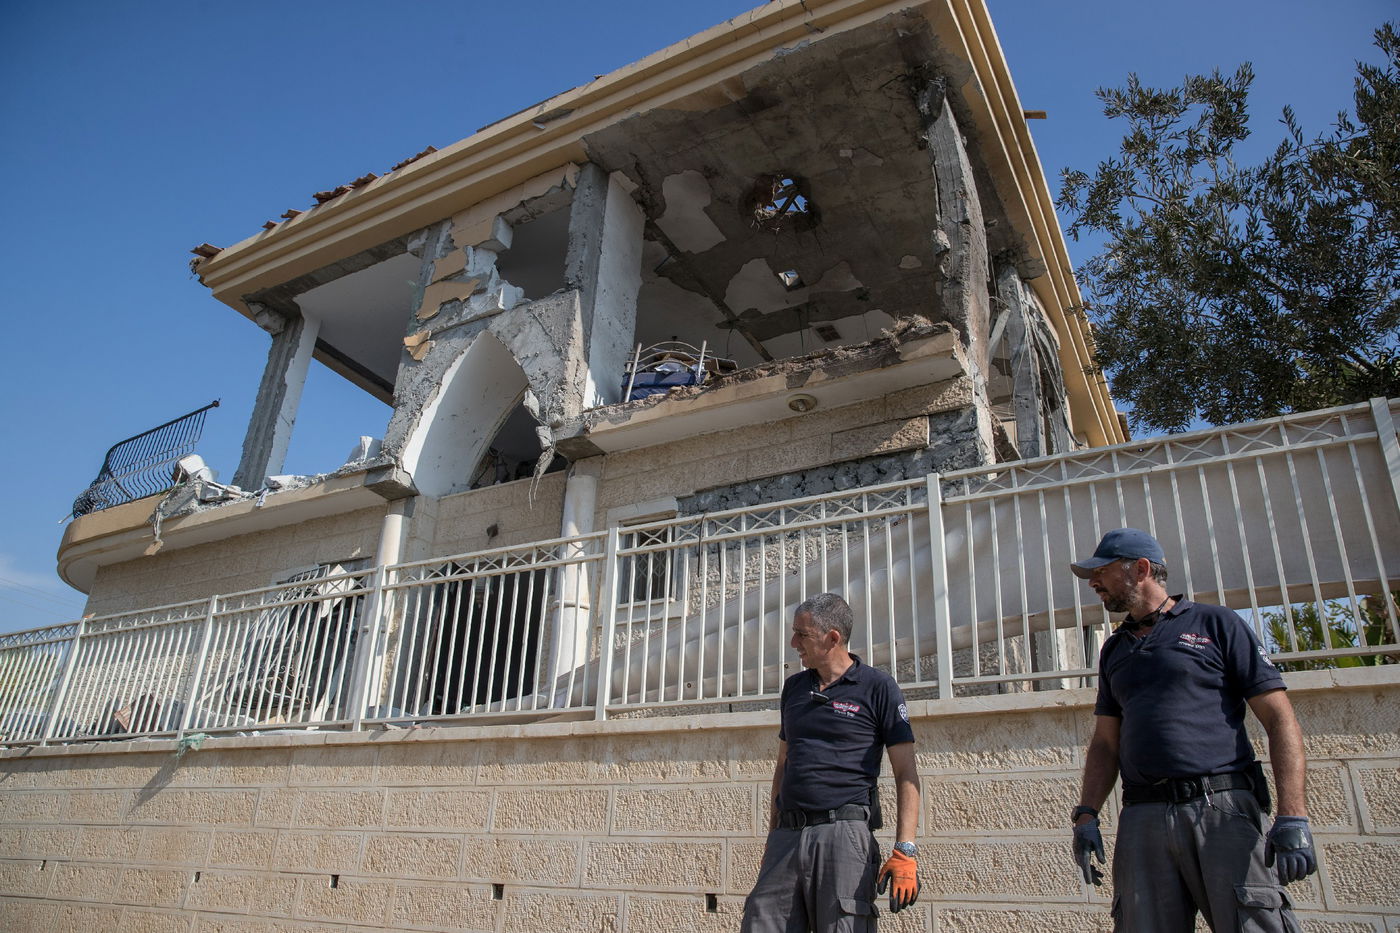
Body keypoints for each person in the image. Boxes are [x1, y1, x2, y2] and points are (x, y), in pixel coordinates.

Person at [1068, 528, 1317, 932]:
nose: (1094, 583)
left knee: (1252, 921)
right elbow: (1105, 743)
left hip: (1221, 808)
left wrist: (1293, 816)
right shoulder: (1114, 649)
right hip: (1142, 815)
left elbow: (1279, 719)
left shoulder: (1216, 623)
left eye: (1103, 572)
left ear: (1142, 569)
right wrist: (1086, 815)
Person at [741, 592, 921, 932]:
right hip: (787, 836)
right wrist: (772, 836)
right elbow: (783, 765)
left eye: (802, 634)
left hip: (844, 834)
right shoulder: (793, 689)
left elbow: (906, 773)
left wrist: (905, 850)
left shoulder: (878, 688)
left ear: (832, 638)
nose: (794, 642)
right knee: (760, 919)